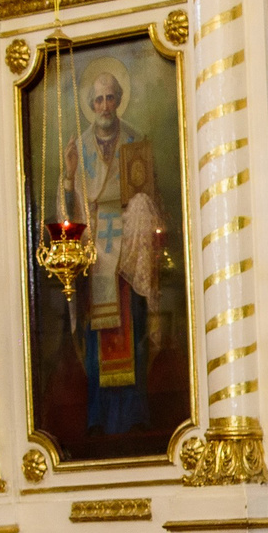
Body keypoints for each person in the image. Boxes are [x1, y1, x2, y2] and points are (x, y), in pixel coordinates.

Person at [56, 56, 171, 435]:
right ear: (91, 106)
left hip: (130, 253)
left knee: (131, 326)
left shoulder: (136, 140)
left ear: (119, 100)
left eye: (110, 98)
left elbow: (151, 197)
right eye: (98, 99)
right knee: (98, 335)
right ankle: (99, 417)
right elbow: (67, 209)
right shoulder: (81, 145)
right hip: (95, 247)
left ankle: (134, 415)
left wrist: (139, 214)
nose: (105, 105)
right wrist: (70, 177)